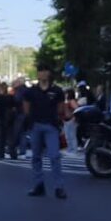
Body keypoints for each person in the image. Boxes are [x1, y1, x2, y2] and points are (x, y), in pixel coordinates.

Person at [24, 65, 67, 200]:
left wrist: (58, 118)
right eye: (39, 71)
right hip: (36, 125)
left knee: (54, 156)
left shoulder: (57, 91)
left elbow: (61, 108)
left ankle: (59, 187)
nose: (41, 74)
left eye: (44, 71)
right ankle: (39, 185)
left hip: (51, 126)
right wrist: (30, 120)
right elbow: (26, 106)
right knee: (36, 156)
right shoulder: (31, 91)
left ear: (49, 73)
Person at [0, 82, 16, 160]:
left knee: (0, 137)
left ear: (0, 89)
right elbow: (14, 109)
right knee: (10, 137)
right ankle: (13, 154)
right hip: (9, 119)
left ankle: (0, 154)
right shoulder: (11, 97)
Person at [11, 77, 30, 157]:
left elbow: (17, 100)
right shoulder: (28, 90)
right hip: (26, 113)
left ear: (19, 83)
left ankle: (13, 149)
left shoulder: (19, 90)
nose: (14, 84)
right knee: (23, 133)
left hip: (20, 113)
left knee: (17, 132)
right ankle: (23, 149)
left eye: (16, 82)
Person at [62, 89, 79, 155]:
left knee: (72, 136)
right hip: (66, 120)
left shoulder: (72, 101)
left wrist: (74, 117)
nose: (65, 95)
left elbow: (77, 109)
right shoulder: (67, 101)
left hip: (71, 120)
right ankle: (70, 149)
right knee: (68, 136)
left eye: (67, 93)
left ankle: (74, 150)